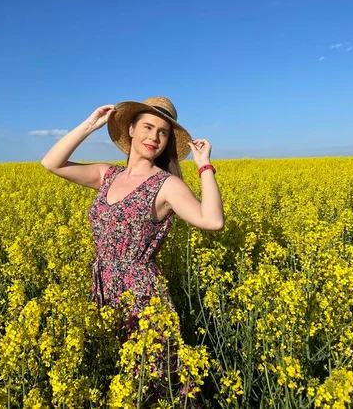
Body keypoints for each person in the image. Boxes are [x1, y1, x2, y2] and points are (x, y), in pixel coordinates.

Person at [41, 96, 224, 406]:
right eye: (148, 127)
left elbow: (212, 220)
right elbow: (51, 163)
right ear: (130, 129)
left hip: (142, 296)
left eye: (163, 132)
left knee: (151, 382)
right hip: (101, 288)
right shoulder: (105, 175)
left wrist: (204, 164)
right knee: (115, 378)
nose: (154, 137)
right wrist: (90, 125)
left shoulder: (166, 185)